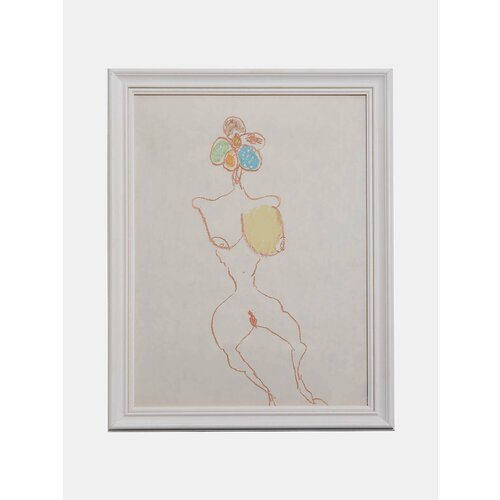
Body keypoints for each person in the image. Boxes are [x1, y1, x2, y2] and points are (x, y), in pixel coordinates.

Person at [192, 117, 326, 406]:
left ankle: (299, 391)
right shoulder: (227, 210)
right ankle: (274, 394)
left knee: (295, 342)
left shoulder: (256, 211)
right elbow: (204, 207)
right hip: (242, 297)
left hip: (251, 294)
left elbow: (274, 238)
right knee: (235, 349)